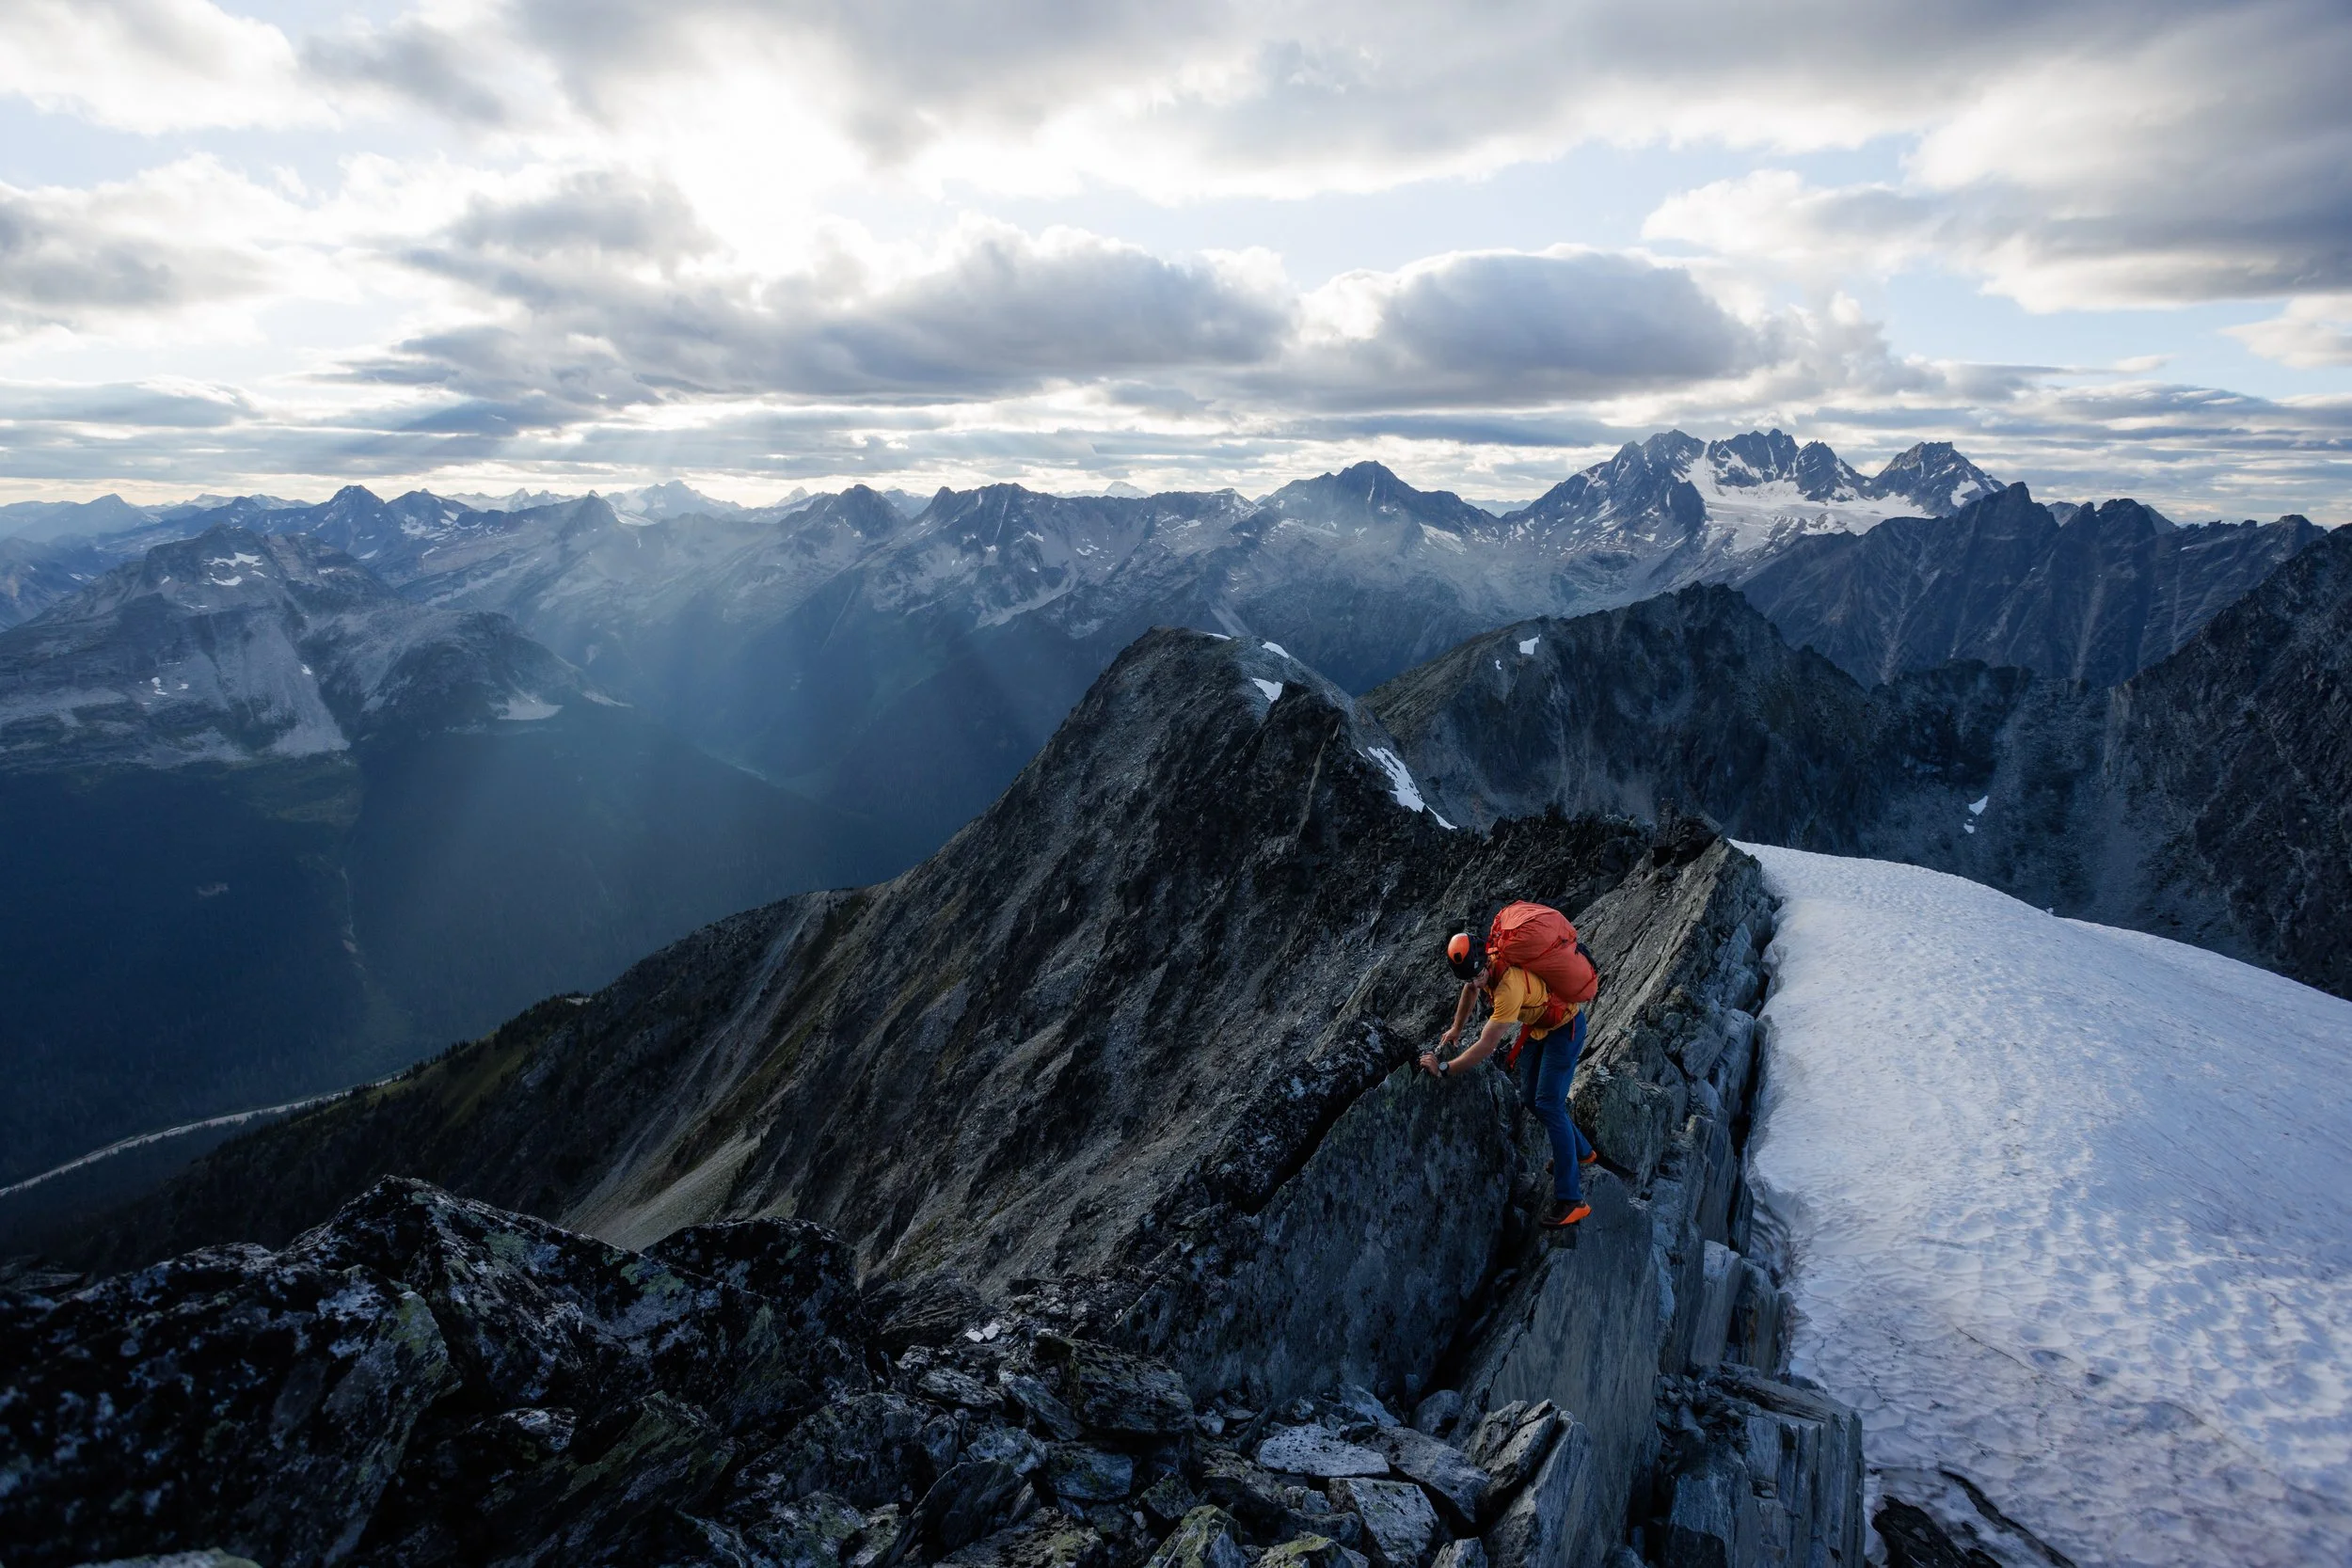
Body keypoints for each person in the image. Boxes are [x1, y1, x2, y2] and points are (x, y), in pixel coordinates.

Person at [1419, 906, 1598, 1228]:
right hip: (1540, 1028)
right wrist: (1456, 1029)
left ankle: (1572, 1199)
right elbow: (1470, 989)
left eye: (1477, 974)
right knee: (1531, 1098)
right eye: (1469, 976)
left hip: (1565, 1030)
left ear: (1484, 962)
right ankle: (1582, 1152)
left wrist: (1444, 1069)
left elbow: (1487, 1046)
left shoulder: (1509, 987)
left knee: (1549, 1104)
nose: (1475, 981)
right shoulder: (1484, 961)